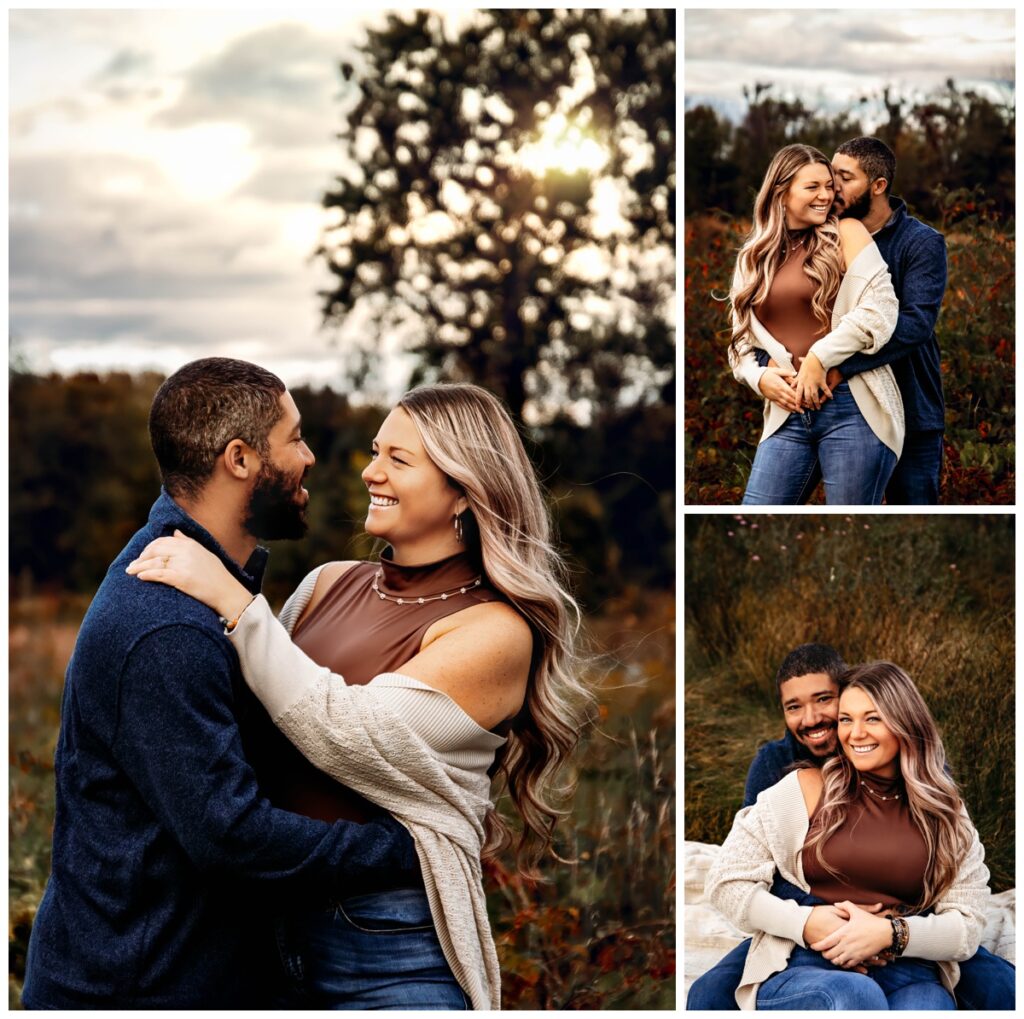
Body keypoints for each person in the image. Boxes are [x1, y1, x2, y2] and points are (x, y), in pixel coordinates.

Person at [125, 381, 593, 1010]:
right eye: (376, 451)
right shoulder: (327, 583)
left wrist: (238, 603)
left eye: (399, 460)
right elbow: (250, 723)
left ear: (462, 488)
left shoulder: (495, 632)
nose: (371, 472)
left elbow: (345, 731)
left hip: (389, 946)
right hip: (265, 925)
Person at [21, 358, 419, 1009]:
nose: (311, 457)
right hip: (135, 990)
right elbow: (234, 839)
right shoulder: (166, 624)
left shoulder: (209, 591)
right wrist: (401, 847)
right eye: (294, 438)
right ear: (239, 458)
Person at [689, 647, 1014, 1010]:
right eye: (847, 719)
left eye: (871, 718)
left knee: (973, 995)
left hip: (909, 959)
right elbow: (733, 877)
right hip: (810, 947)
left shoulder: (943, 806)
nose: (854, 733)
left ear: (904, 723)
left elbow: (966, 921)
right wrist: (818, 922)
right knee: (714, 994)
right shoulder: (793, 780)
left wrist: (889, 932)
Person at [729, 143, 904, 505]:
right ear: (781, 192)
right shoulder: (753, 256)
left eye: (829, 185)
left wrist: (819, 358)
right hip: (786, 414)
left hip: (852, 407)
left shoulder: (847, 232)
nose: (827, 195)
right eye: (813, 187)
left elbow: (882, 310)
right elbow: (740, 343)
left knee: (848, 524)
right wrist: (758, 378)